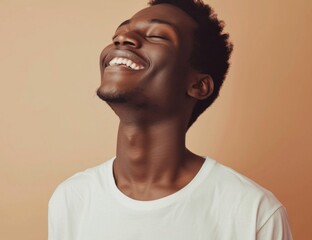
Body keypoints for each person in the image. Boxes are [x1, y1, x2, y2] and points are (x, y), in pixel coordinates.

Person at [48, 0, 293, 239]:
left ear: (198, 85)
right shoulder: (72, 199)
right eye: (118, 34)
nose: (122, 39)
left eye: (157, 36)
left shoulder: (254, 213)